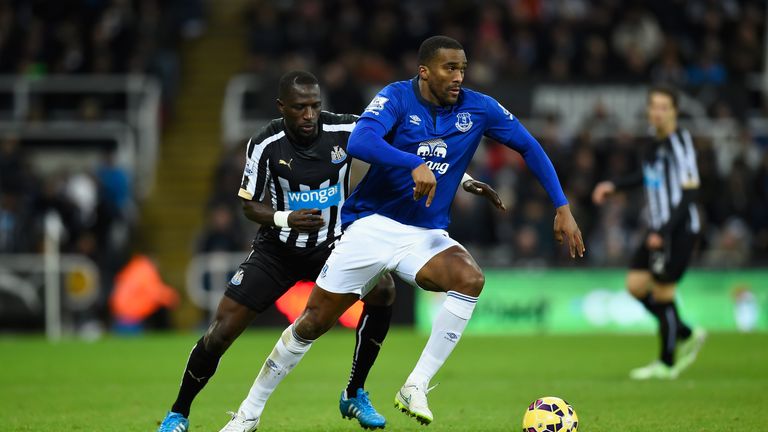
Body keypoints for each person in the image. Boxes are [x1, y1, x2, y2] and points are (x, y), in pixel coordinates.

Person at [219, 36, 584, 432]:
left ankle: (415, 385)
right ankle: (249, 413)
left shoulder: (479, 108)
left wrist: (562, 206)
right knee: (310, 324)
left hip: (424, 233)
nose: (459, 76)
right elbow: (361, 141)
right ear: (424, 71)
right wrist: (412, 163)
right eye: (450, 68)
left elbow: (529, 146)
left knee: (470, 278)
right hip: (370, 225)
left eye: (462, 68)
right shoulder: (396, 97)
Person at [158, 70, 505, 432]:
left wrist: (462, 179)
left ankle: (355, 392)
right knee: (222, 330)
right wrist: (285, 217)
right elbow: (248, 204)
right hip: (278, 250)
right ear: (282, 108)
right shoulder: (265, 143)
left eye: (314, 106)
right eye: (299, 108)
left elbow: (411, 151)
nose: (308, 115)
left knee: (383, 290)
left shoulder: (345, 129)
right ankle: (179, 412)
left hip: (335, 244)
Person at [592, 84, 707, 380]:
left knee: (663, 293)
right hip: (659, 228)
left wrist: (666, 231)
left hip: (677, 229)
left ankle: (667, 364)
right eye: (653, 106)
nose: (656, 112)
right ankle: (683, 331)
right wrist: (614, 186)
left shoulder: (678, 141)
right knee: (635, 285)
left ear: (674, 112)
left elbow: (691, 192)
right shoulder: (653, 143)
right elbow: (645, 178)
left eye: (663, 107)